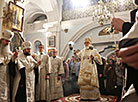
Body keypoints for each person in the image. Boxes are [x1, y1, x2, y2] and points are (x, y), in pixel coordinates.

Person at [0, 30, 17, 102]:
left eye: (9, 41)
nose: (8, 43)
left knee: (6, 86)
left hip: (6, 70)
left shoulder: (7, 48)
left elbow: (9, 57)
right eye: (6, 41)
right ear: (2, 40)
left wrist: (13, 57)